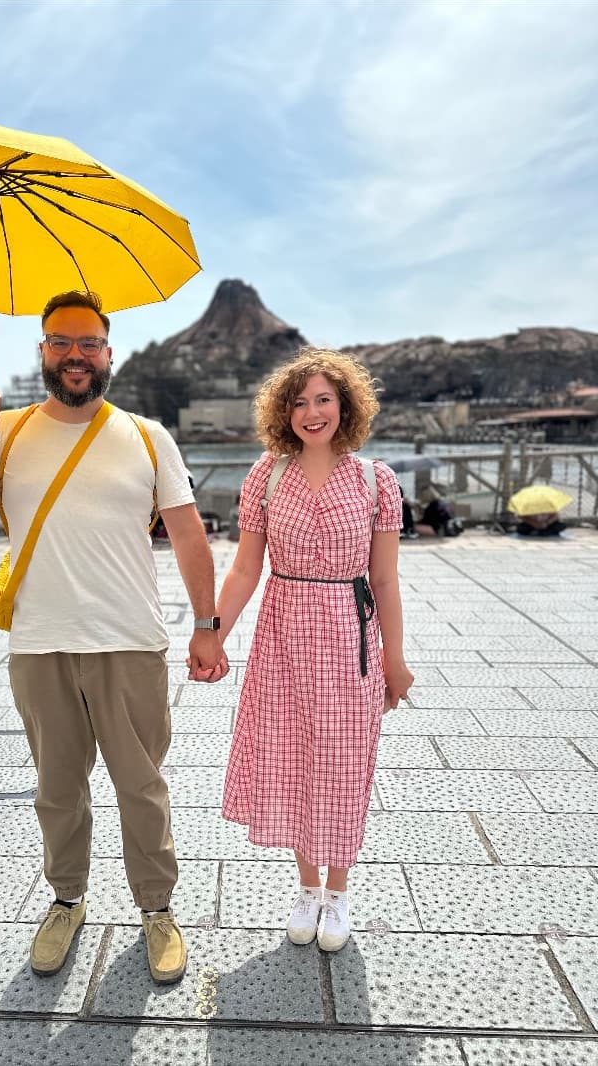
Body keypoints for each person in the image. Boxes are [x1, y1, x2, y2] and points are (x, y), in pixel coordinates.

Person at [0, 290, 228, 984]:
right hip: (39, 643)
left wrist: (208, 625)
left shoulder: (148, 435)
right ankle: (66, 899)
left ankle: (157, 908)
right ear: (42, 350)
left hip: (129, 641)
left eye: (88, 342)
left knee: (141, 785)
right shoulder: (3, 432)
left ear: (108, 354)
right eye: (61, 342)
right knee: (57, 789)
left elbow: (189, 536)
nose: (75, 354)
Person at [213, 348, 414, 952]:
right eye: (299, 402)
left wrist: (395, 658)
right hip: (284, 636)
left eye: (323, 399)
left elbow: (384, 580)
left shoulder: (375, 480)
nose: (311, 412)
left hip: (351, 637)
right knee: (293, 762)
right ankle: (307, 889)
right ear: (283, 411)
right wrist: (213, 632)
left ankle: (340, 890)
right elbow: (247, 567)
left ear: (346, 405)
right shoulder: (267, 474)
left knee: (346, 766)